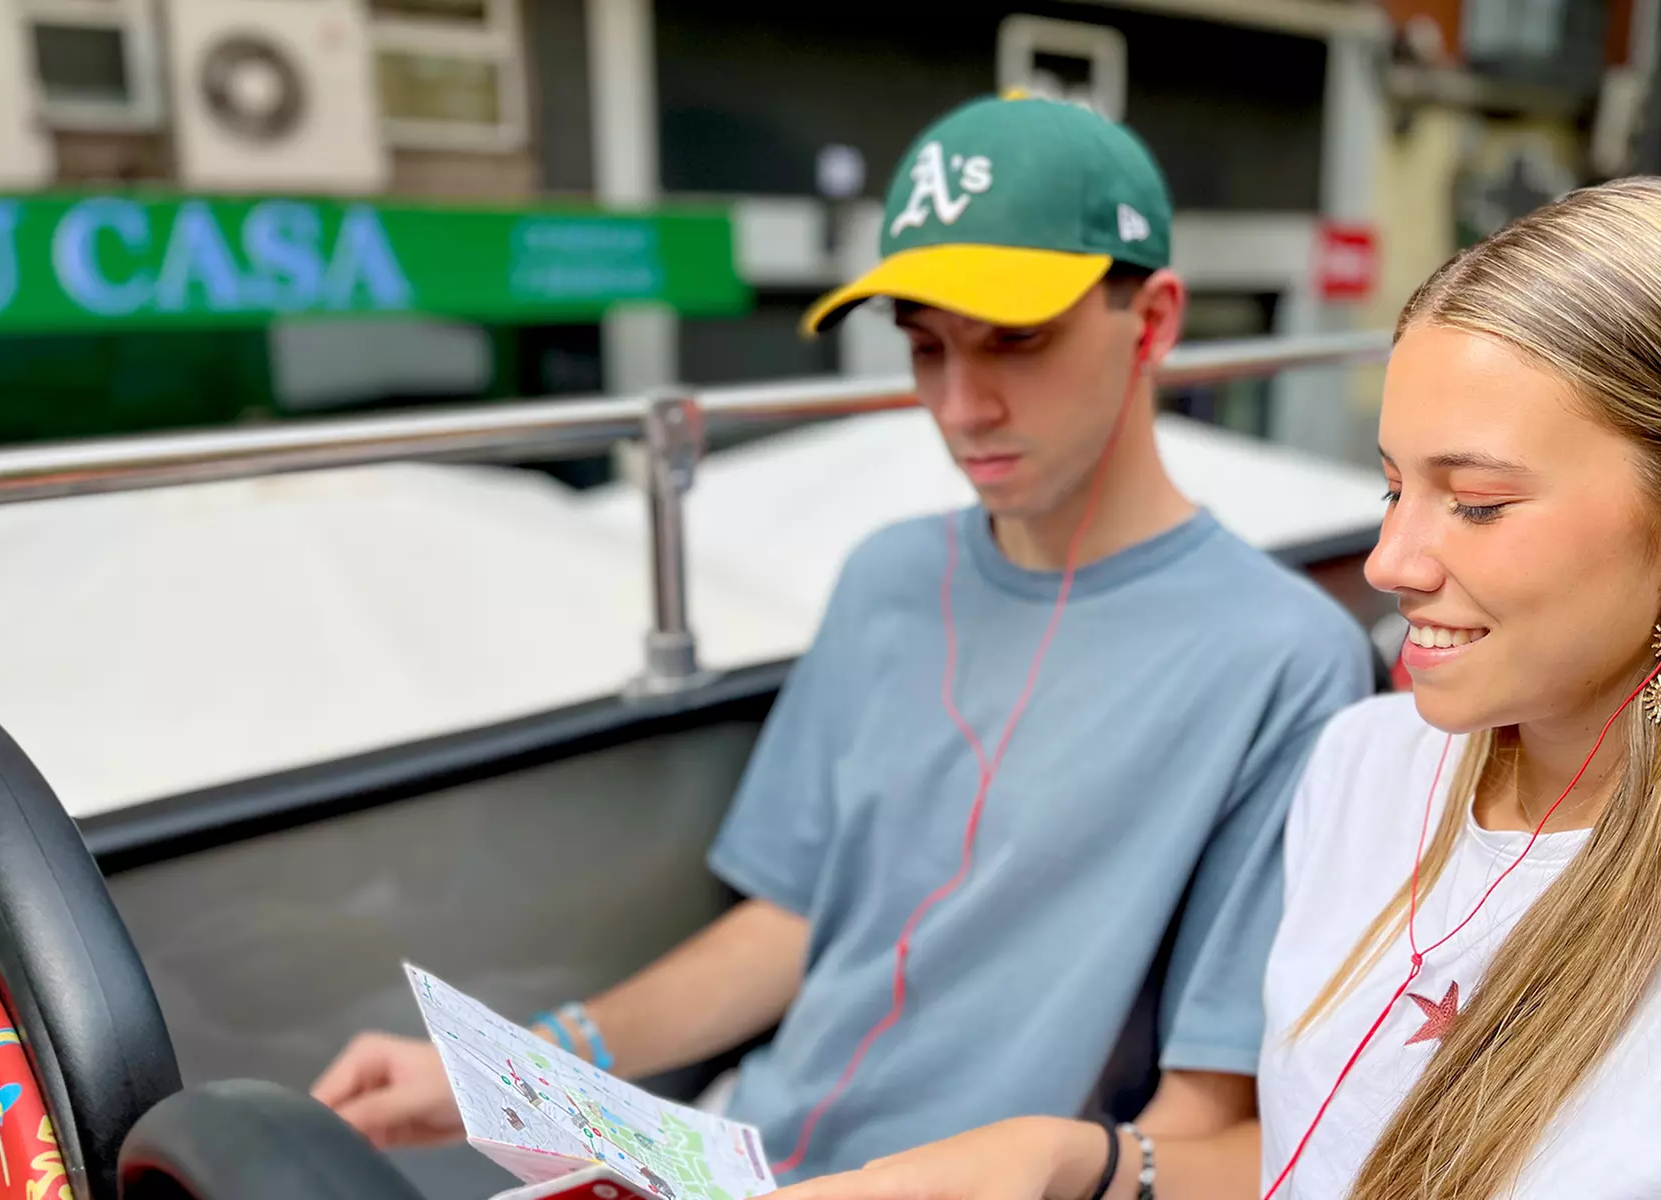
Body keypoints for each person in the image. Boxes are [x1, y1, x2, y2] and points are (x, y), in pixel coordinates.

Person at [773, 177, 1661, 1200]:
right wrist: (1068, 1161)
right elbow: (1329, 1155)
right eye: (1391, 488)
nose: (1391, 563)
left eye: (1477, 502)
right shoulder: (1365, 761)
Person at [308, 93, 1375, 1182]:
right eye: (925, 349)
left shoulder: (1283, 660)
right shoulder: (888, 578)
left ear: (1152, 321)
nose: (961, 406)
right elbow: (797, 924)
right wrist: (526, 1065)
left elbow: (1206, 1112)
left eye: (1018, 340)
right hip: (733, 1155)